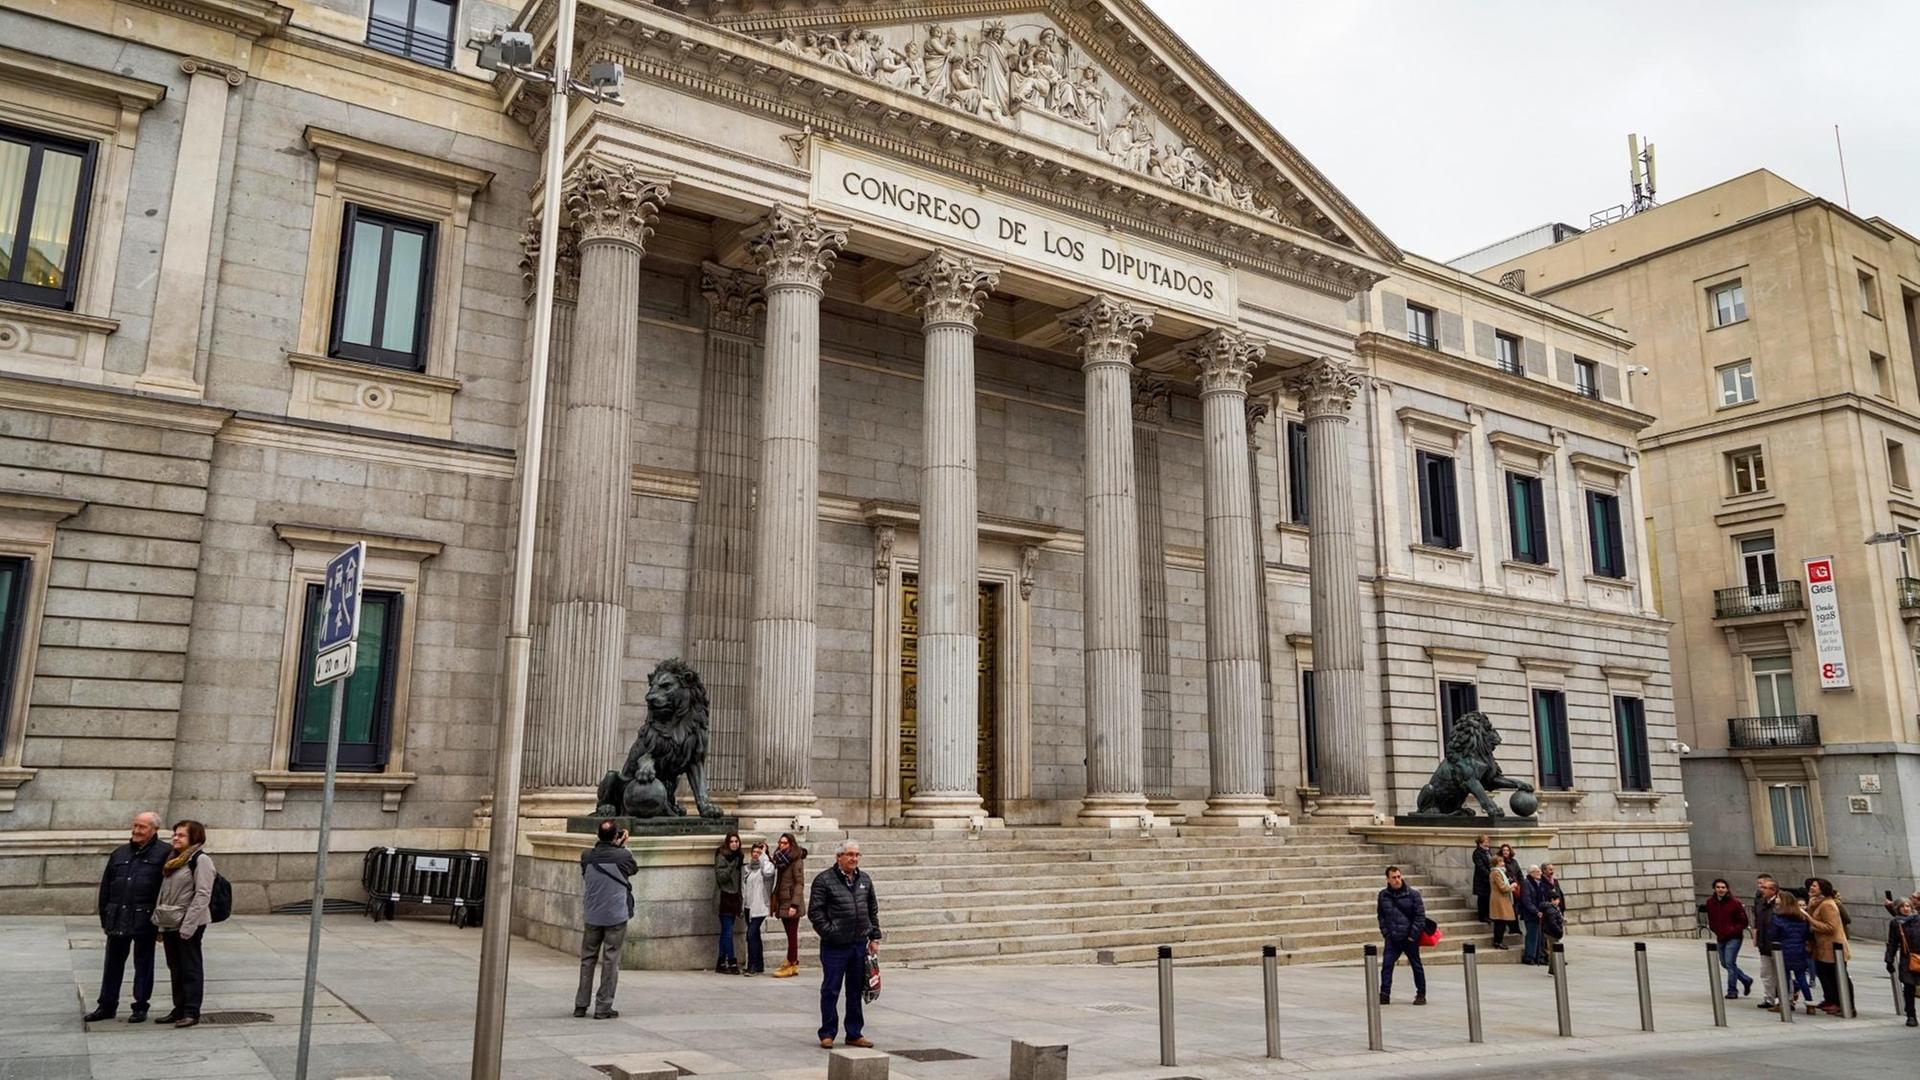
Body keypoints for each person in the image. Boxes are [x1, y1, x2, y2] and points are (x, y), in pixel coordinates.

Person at [86, 811, 170, 1024]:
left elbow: (166, 890)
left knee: (143, 964)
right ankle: (107, 1005)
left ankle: (140, 1006)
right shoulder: (120, 853)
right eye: (135, 826)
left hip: (145, 918)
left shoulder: (165, 853)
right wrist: (106, 916)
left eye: (142, 827)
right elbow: (106, 887)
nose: (136, 831)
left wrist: (161, 922)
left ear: (154, 830)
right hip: (117, 915)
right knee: (112, 963)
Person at [808, 838, 881, 1049]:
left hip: (858, 944)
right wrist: (830, 932)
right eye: (850, 854)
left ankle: (854, 1032)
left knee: (855, 989)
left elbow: (872, 910)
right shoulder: (824, 880)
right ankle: (827, 1032)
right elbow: (816, 912)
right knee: (831, 989)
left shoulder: (864, 880)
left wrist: (874, 936)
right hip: (835, 945)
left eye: (857, 855)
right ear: (839, 857)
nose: (854, 859)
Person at [151, 820, 215, 1028]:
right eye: (175, 835)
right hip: (170, 920)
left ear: (194, 838)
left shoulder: (201, 860)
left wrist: (189, 926)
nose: (175, 838)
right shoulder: (174, 860)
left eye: (181, 835)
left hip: (190, 923)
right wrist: (161, 924)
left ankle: (191, 1011)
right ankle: (178, 1008)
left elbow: (203, 894)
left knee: (190, 967)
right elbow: (165, 893)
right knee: (175, 967)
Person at [576, 819, 637, 1019]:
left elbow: (587, 873)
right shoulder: (623, 856)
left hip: (592, 914)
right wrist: (623, 845)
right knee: (611, 960)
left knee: (587, 959)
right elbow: (633, 869)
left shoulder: (587, 856)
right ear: (616, 836)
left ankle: (581, 1005)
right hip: (615, 916)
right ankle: (603, 1006)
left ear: (598, 835)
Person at [1375, 866, 1427, 1005]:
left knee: (1416, 965)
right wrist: (1386, 932)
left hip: (1409, 937)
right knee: (1387, 965)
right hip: (1392, 937)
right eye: (1394, 877)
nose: (1397, 880)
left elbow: (1420, 916)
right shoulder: (1383, 895)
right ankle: (1384, 993)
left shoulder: (1413, 894)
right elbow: (1381, 915)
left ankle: (1421, 994)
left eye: (1399, 876)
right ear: (1388, 879)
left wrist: (1412, 935)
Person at [1806, 878, 1851, 1015]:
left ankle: (1841, 1003)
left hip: (1833, 947)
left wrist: (1811, 921)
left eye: (1814, 886)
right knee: (1824, 974)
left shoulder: (1828, 905)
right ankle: (1830, 999)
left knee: (1835, 976)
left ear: (1822, 889)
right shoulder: (1817, 902)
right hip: (1822, 947)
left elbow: (1831, 927)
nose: (1811, 888)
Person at [1769, 889, 1815, 1011]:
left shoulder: (1777, 917)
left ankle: (1782, 1004)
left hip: (1783, 950)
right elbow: (1807, 934)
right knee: (1801, 978)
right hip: (1799, 950)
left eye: (1778, 897)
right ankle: (1810, 1005)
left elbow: (1773, 935)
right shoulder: (1801, 917)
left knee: (1783, 978)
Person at [771, 832, 809, 978]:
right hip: (783, 900)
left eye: (785, 843)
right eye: (780, 843)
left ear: (791, 844)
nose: (782, 846)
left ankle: (791, 962)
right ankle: (792, 962)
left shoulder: (795, 860)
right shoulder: (781, 860)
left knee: (792, 935)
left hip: (791, 902)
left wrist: (794, 904)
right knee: (789, 934)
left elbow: (799, 883)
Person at [741, 840, 776, 976]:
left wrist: (764, 857)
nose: (756, 854)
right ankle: (759, 964)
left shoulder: (768, 867)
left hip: (760, 906)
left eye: (759, 852)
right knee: (754, 935)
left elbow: (767, 872)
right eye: (754, 852)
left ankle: (753, 965)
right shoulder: (748, 868)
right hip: (748, 906)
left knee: (750, 934)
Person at [1885, 897, 1920, 1026]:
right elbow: (1892, 942)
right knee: (1909, 987)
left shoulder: (1918, 919)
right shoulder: (1895, 923)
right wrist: (1889, 959)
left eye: (1908, 906)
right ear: (1897, 909)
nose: (1906, 909)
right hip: (1907, 958)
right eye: (1902, 906)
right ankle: (1911, 1015)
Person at [714, 831, 743, 975]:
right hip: (724, 897)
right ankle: (732, 961)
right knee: (728, 931)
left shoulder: (740, 857)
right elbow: (721, 877)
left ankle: (720, 962)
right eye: (732, 841)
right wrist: (732, 865)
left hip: (734, 897)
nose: (734, 844)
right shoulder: (722, 856)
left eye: (736, 841)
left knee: (726, 932)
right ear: (727, 843)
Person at [1752, 874, 1782, 1010]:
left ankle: (1786, 999)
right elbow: (1757, 921)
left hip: (1777, 944)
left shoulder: (1780, 903)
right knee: (1766, 973)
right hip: (1763, 943)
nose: (1761, 889)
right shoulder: (1760, 903)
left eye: (1765, 887)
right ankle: (1769, 998)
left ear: (1774, 890)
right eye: (1761, 887)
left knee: (1781, 972)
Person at [1487, 852, 1517, 949]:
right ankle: (1498, 942)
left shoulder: (1500, 872)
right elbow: (1502, 887)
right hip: (1499, 900)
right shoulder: (1496, 872)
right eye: (1501, 861)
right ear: (1496, 863)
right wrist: (1511, 886)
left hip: (1502, 899)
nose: (1503, 863)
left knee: (1501, 922)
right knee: (1500, 922)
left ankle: (1499, 941)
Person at [1519, 865, 1547, 966]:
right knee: (1532, 936)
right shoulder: (1526, 883)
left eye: (1539, 871)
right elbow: (1526, 900)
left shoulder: (1539, 883)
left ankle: (1538, 956)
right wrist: (1536, 911)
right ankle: (1529, 956)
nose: (1540, 873)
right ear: (1531, 873)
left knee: (1539, 936)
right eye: (1537, 871)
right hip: (1531, 914)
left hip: (1540, 913)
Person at [1470, 835, 1492, 924]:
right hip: (1482, 879)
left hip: (1488, 879)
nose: (1487, 844)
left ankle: (1488, 915)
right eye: (1485, 842)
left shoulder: (1488, 852)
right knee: (1483, 898)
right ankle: (1482, 916)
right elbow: (1480, 866)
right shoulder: (1477, 853)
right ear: (1480, 843)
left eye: (1487, 842)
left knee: (1488, 898)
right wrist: (1489, 874)